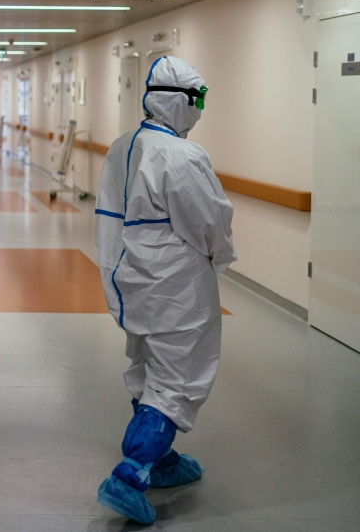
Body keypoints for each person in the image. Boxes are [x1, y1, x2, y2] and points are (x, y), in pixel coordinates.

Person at [93, 56, 235, 524]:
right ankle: (131, 473)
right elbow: (209, 219)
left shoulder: (122, 146)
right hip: (176, 286)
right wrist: (220, 256)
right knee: (177, 380)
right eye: (198, 100)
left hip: (132, 279)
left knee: (149, 363)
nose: (200, 109)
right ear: (179, 101)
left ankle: (164, 460)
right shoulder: (181, 155)